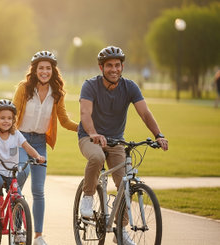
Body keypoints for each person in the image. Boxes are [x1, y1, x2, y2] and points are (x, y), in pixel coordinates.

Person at [78, 46, 168, 245]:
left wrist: (158, 134)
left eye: (117, 65)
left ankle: (121, 230)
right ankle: (87, 196)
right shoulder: (90, 85)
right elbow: (85, 113)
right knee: (97, 157)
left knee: (125, 183)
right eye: (109, 65)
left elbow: (145, 113)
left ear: (122, 66)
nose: (114, 69)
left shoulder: (130, 87)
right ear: (101, 67)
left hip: (116, 140)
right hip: (89, 137)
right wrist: (93, 133)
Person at [12, 51, 78, 245]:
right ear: (35, 70)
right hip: (20, 139)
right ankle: (17, 230)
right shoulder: (24, 89)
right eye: (41, 68)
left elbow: (64, 120)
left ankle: (39, 235)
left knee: (39, 190)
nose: (44, 71)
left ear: (53, 71)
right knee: (20, 179)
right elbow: (13, 114)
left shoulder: (56, 93)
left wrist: (85, 128)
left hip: (40, 142)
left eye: (48, 68)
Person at [0, 100, 45, 237]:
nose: (6, 121)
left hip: (10, 172)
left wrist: (37, 156)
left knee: (17, 198)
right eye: (2, 118)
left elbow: (28, 148)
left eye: (9, 118)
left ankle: (18, 230)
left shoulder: (16, 135)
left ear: (14, 120)